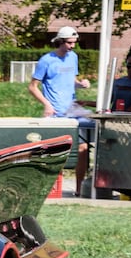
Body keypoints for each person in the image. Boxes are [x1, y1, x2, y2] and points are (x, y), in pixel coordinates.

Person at [28, 26, 92, 195]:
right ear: (60, 42)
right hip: (56, 112)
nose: (72, 46)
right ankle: (48, 190)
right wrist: (47, 104)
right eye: (69, 43)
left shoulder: (73, 57)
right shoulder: (46, 60)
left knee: (84, 147)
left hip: (71, 108)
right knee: (53, 151)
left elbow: (71, 79)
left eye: (74, 43)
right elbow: (32, 87)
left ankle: (79, 190)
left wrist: (81, 84)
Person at [110, 46, 131, 112]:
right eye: (129, 65)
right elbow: (105, 102)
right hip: (114, 119)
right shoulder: (117, 82)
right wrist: (86, 102)